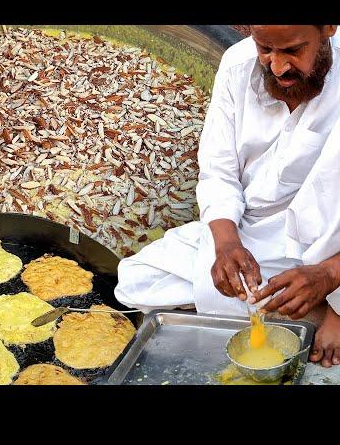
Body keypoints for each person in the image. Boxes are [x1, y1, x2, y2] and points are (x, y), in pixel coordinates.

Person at [115, 25, 340, 367]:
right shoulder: (237, 65)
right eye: (265, 48)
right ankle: (297, 308)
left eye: (293, 50)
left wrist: (328, 278)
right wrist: (226, 244)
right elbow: (218, 170)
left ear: (328, 29)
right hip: (252, 231)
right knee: (136, 281)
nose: (277, 67)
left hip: (328, 245)